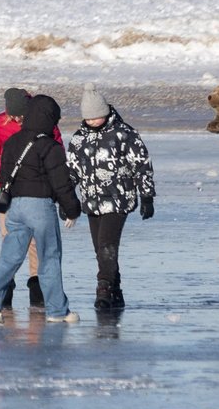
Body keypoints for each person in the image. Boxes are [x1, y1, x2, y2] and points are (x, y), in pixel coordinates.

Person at [0, 95, 81, 323]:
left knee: (9, 258)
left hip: (14, 207)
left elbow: (4, 176)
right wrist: (72, 209)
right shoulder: (50, 146)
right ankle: (57, 311)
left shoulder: (13, 142)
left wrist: (2, 206)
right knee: (49, 257)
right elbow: (61, 183)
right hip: (40, 207)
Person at [0, 87, 62, 310]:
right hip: (9, 191)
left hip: (39, 190)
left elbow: (58, 154)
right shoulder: (0, 123)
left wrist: (60, 187)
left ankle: (36, 288)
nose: (18, 120)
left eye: (21, 116)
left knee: (36, 243)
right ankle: (4, 288)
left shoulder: (44, 122)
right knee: (10, 238)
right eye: (13, 116)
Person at [66, 85, 156, 310]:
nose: (94, 121)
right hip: (91, 201)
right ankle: (115, 290)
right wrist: (67, 199)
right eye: (89, 118)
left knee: (107, 245)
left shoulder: (123, 133)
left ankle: (103, 288)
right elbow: (71, 171)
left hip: (118, 199)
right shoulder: (78, 139)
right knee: (101, 249)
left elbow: (141, 165)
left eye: (98, 116)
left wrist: (146, 196)